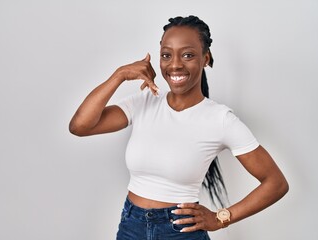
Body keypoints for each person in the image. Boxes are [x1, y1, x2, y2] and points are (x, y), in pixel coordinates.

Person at [69, 15, 289, 240]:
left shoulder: (220, 119)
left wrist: (221, 218)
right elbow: (80, 126)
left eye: (188, 55)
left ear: (206, 58)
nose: (174, 64)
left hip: (180, 232)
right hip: (131, 226)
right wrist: (120, 75)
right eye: (166, 55)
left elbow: (276, 183)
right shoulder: (145, 101)